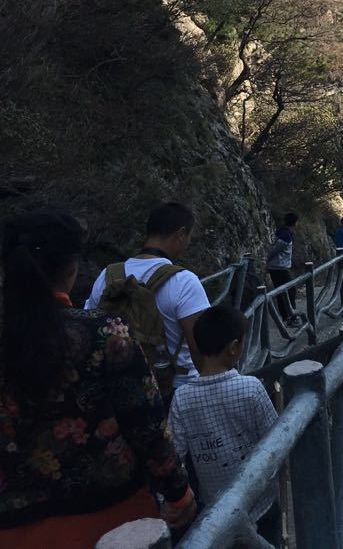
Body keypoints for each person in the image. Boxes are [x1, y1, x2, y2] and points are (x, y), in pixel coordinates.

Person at [0, 211, 196, 546]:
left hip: (14, 528)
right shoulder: (103, 333)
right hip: (112, 523)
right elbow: (146, 426)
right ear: (71, 267)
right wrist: (179, 494)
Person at [168, 305, 280, 545]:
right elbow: (276, 441)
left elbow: (176, 454)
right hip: (260, 501)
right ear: (233, 348)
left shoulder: (182, 397)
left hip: (215, 507)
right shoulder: (251, 388)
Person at [85, 202, 210, 390]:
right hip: (175, 389)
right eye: (189, 237)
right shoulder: (184, 281)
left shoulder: (108, 275)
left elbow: (89, 325)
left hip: (117, 387)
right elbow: (201, 346)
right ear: (181, 234)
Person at [265, 213, 301, 328]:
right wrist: (267, 262)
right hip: (279, 267)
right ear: (294, 222)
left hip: (278, 266)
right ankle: (290, 316)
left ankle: (287, 316)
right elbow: (275, 250)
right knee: (289, 291)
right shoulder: (285, 235)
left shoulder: (283, 232)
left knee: (282, 291)